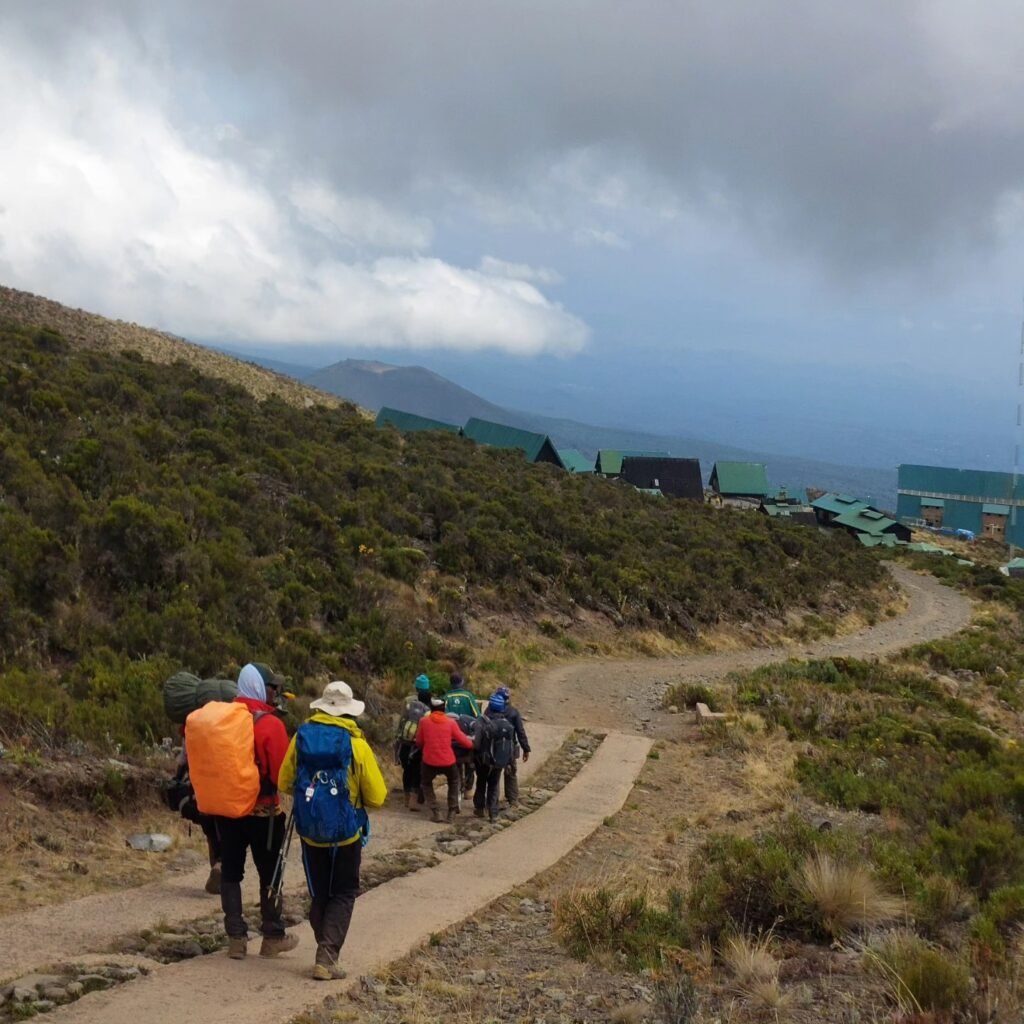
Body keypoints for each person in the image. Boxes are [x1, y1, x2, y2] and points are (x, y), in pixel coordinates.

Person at [279, 680, 387, 981]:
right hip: (346, 833)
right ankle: (327, 957)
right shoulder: (357, 744)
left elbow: (284, 781)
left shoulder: (301, 738)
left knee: (320, 893)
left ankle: (324, 949)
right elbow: (377, 796)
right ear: (349, 711)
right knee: (344, 892)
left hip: (310, 832)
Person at [217, 662, 298, 960]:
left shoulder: (222, 718)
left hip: (227, 811)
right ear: (260, 687)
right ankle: (273, 936)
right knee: (270, 873)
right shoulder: (270, 725)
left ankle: (236, 939)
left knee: (230, 872)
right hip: (263, 814)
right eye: (271, 686)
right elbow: (281, 775)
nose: (275, 692)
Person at [416, 696, 474, 822]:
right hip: (448, 761)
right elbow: (464, 741)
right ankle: (452, 811)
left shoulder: (423, 721)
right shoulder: (451, 722)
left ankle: (435, 811)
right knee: (453, 781)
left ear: (431, 708)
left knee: (426, 783)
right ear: (444, 709)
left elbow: (419, 742)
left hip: (429, 760)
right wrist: (471, 744)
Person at [473, 691, 519, 822]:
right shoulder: (507, 725)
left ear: (490, 707)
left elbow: (476, 744)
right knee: (493, 785)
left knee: (481, 782)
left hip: (483, 760)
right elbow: (511, 745)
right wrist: (509, 761)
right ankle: (493, 813)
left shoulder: (482, 722)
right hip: (499, 761)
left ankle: (480, 808)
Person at [395, 674, 431, 811]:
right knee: (417, 771)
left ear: (416, 687)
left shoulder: (408, 702)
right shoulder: (429, 705)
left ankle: (406, 797)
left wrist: (398, 737)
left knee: (407, 770)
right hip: (418, 744)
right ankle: (413, 799)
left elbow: (402, 720)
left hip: (405, 741)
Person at [494, 685, 531, 806]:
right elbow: (520, 732)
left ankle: (493, 801)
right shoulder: (513, 712)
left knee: (494, 775)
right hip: (509, 747)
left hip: (494, 747)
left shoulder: (490, 710)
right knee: (511, 773)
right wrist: (526, 748)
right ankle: (513, 799)